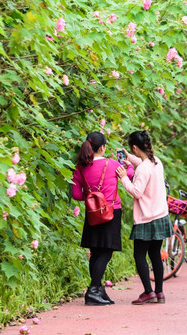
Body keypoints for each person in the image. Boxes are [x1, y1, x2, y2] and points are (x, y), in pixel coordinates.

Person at [72, 131, 134, 306]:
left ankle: (98, 289)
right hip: (111, 212)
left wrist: (91, 197)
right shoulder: (113, 164)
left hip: (93, 214)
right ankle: (93, 290)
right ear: (103, 147)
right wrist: (129, 166)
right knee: (106, 251)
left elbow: (76, 194)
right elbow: (128, 176)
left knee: (96, 251)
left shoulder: (80, 167)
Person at [116, 130, 173, 305]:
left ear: (134, 147)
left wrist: (124, 178)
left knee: (139, 255)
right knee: (155, 254)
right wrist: (130, 159)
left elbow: (137, 192)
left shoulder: (142, 170)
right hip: (161, 215)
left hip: (146, 218)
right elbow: (143, 163)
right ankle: (159, 292)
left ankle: (148, 292)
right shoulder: (157, 162)